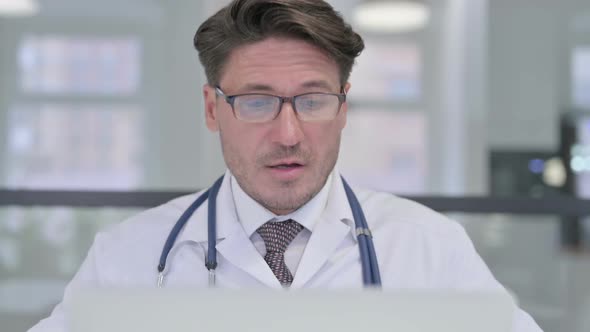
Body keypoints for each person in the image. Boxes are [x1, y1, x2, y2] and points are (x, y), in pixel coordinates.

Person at [29, 0, 543, 331]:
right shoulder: (127, 257)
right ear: (213, 109)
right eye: (257, 102)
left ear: (343, 107)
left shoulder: (431, 249)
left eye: (313, 101)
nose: (288, 134)